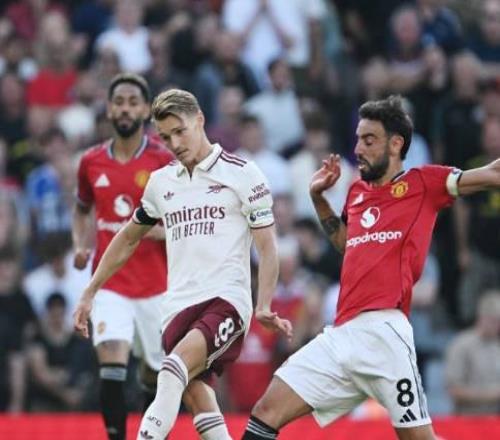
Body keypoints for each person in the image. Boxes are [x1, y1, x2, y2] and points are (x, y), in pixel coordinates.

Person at [241, 95, 500, 440]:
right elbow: (348, 245)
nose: (358, 149)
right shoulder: (356, 192)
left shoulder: (424, 182)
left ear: (395, 144)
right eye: (357, 139)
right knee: (266, 411)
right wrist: (319, 200)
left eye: (369, 140)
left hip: (385, 333)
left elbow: (491, 173)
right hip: (342, 332)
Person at [74, 88, 292, 440]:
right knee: (197, 399)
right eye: (165, 137)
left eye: (180, 131)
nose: (174, 143)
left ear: (200, 120)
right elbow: (127, 238)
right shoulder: (161, 183)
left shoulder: (243, 173)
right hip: (175, 308)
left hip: (225, 301)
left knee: (171, 369)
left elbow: (267, 247)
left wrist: (263, 303)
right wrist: (90, 291)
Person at [72, 73, 172, 440]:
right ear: (109, 109)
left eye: (133, 102)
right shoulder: (91, 161)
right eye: (119, 102)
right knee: (111, 363)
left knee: (154, 375)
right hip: (109, 284)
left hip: (157, 286)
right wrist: (79, 244)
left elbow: (183, 219)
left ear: (146, 110)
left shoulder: (164, 161)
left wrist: (158, 231)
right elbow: (81, 209)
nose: (125, 109)